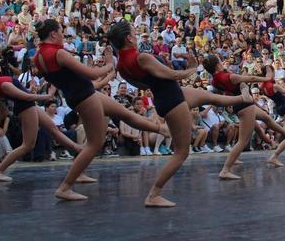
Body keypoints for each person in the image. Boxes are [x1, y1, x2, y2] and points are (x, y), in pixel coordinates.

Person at [108, 21, 253, 206]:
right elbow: (173, 75)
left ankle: (243, 98)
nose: (136, 35)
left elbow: (142, 85)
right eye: (135, 33)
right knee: (182, 152)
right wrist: (192, 68)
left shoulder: (121, 64)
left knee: (209, 97)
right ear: (128, 38)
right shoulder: (141, 57)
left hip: (167, 95)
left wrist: (159, 77)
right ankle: (153, 195)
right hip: (172, 99)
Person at [33, 19, 165, 201]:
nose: (63, 35)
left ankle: (160, 129)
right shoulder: (58, 53)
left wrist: (104, 71)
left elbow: (76, 78)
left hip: (79, 94)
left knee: (124, 113)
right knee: (95, 143)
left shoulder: (39, 55)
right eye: (61, 32)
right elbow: (92, 74)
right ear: (53, 34)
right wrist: (110, 63)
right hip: (84, 97)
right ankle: (65, 187)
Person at [0, 57, 83, 182]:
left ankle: (77, 148)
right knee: (28, 145)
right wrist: (47, 96)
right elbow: (25, 97)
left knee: (53, 128)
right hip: (26, 108)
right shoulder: (2, 83)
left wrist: (32, 90)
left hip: (27, 106)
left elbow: (22, 94)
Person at [202, 54, 285, 180]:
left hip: (241, 104)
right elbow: (252, 77)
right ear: (217, 65)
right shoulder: (229, 76)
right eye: (221, 62)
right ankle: (225, 169)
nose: (223, 63)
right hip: (245, 106)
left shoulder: (214, 79)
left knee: (266, 117)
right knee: (243, 140)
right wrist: (267, 78)